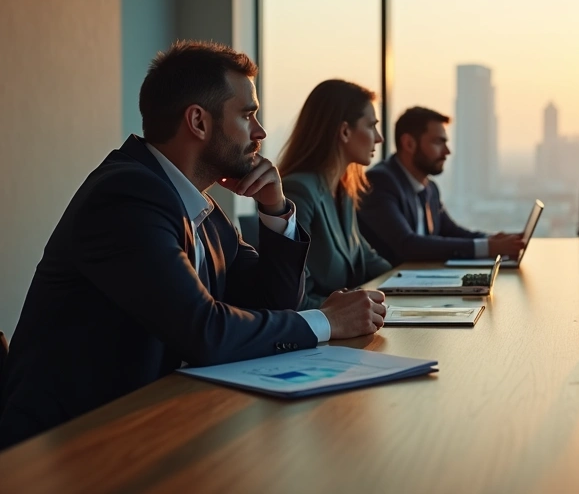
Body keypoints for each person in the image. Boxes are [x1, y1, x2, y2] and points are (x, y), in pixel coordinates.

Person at [0, 42, 386, 449]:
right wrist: (327, 321)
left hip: (150, 425)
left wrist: (276, 209)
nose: (260, 132)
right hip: (64, 447)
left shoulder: (199, 206)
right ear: (199, 122)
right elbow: (205, 330)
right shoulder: (125, 195)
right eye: (247, 114)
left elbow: (274, 301)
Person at [357, 106, 524, 264]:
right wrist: (488, 248)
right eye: (438, 142)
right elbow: (406, 245)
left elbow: (452, 232)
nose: (447, 152)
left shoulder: (430, 188)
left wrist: (494, 240)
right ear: (409, 143)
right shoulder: (380, 182)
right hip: (385, 287)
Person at [280, 80, 394, 309]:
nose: (379, 138)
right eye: (371, 126)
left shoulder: (344, 191)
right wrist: (347, 311)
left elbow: (368, 259)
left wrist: (418, 284)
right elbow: (294, 299)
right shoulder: (299, 192)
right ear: (344, 131)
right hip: (322, 335)